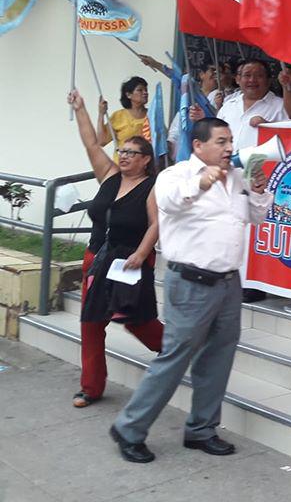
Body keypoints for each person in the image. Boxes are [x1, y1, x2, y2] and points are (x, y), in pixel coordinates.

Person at [109, 118, 272, 463]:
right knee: (174, 357)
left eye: (230, 141)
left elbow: (255, 218)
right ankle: (129, 427)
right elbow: (169, 203)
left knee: (218, 358)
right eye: (221, 141)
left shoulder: (236, 176)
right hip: (190, 283)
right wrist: (201, 182)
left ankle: (202, 429)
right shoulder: (176, 174)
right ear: (198, 145)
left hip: (228, 283)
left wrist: (258, 191)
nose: (229, 148)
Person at [67, 90, 164, 408]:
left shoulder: (151, 186)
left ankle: (173, 349)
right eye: (121, 150)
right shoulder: (108, 175)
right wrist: (81, 109)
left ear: (145, 159)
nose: (123, 156)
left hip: (129, 262)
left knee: (136, 321)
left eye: (131, 153)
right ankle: (90, 388)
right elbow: (91, 144)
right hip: (96, 259)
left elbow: (156, 224)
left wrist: (141, 254)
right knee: (91, 323)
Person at [213, 59, 288, 150]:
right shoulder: (228, 105)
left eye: (259, 76)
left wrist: (268, 127)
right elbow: (214, 135)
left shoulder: (281, 107)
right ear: (238, 79)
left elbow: (290, 141)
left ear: (268, 80)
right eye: (247, 75)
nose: (252, 80)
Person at [98, 76, 150, 160]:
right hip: (123, 164)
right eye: (140, 90)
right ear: (128, 95)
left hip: (146, 164)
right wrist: (101, 114)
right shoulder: (118, 116)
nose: (145, 93)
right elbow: (101, 141)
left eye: (146, 90)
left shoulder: (152, 115)